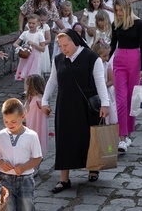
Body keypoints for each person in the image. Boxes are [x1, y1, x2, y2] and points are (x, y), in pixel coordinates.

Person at [41, 30, 110, 192]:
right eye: (60, 46)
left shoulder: (92, 58)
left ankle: (93, 168)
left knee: (90, 138)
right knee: (64, 140)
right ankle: (64, 179)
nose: (63, 49)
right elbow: (52, 82)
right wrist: (44, 101)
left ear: (75, 41)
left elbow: (100, 82)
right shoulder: (58, 60)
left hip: (87, 106)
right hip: (65, 106)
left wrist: (105, 104)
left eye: (66, 45)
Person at [109, 0, 142, 153]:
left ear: (127, 8)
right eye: (116, 10)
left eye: (120, 10)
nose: (118, 13)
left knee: (132, 98)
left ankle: (129, 132)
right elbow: (112, 45)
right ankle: (122, 137)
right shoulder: (115, 24)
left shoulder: (138, 23)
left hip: (134, 60)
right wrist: (102, 61)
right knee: (120, 100)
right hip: (119, 60)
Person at [0, 98, 43, 211]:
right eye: (6, 121)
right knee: (7, 207)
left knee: (26, 207)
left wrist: (24, 167)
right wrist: (1, 163)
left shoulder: (31, 136)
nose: (9, 124)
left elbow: (38, 158)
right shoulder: (0, 136)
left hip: (25, 179)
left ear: (23, 116)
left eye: (13, 121)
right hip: (5, 178)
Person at [14, 14, 46, 88]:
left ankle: (34, 89)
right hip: (26, 56)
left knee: (33, 73)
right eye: (29, 23)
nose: (31, 25)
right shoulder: (25, 33)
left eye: (33, 23)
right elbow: (15, 44)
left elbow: (43, 49)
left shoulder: (40, 34)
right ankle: (26, 90)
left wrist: (34, 44)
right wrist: (22, 47)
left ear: (38, 23)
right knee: (26, 73)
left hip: (35, 57)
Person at [91, 41, 118, 124]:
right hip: (94, 94)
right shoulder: (92, 64)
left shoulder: (107, 65)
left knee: (108, 117)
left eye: (108, 55)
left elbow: (112, 80)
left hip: (106, 92)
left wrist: (102, 86)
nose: (107, 58)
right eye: (104, 56)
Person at [24, 74, 49, 155]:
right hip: (30, 123)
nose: (25, 87)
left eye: (27, 85)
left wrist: (46, 109)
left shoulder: (38, 99)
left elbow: (46, 112)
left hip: (37, 125)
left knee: (35, 146)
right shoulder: (30, 98)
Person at [34, 8, 52, 76]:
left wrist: (40, 44)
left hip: (42, 48)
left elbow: (48, 39)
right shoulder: (30, 25)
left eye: (44, 20)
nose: (42, 22)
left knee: (41, 65)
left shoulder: (45, 26)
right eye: (41, 20)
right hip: (32, 48)